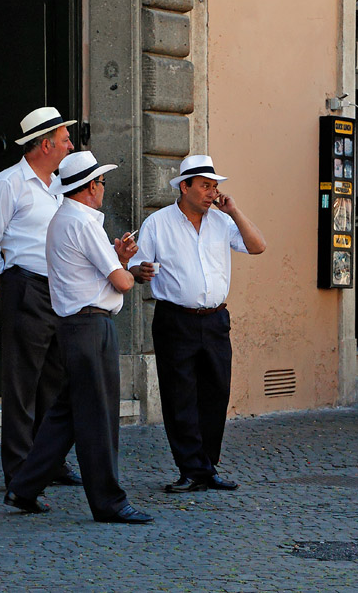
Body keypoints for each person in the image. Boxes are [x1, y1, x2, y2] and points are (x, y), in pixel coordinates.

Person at [3, 151, 153, 523]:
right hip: (90, 326)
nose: (104, 188)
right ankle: (109, 502)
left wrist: (116, 258)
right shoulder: (84, 223)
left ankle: (23, 488)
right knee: (98, 418)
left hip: (76, 326)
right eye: (101, 182)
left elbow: (92, 269)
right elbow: (120, 281)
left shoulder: (62, 219)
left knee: (66, 416)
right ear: (89, 187)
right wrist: (126, 267)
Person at [129, 155, 266, 493]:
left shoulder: (222, 222)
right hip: (176, 320)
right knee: (180, 397)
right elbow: (133, 268)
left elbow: (258, 246)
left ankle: (208, 466)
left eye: (215, 186)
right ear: (185, 187)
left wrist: (233, 210)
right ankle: (190, 469)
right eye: (205, 186)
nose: (211, 193)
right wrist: (139, 272)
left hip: (216, 319)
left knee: (215, 393)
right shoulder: (158, 223)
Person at [0, 106, 82, 487]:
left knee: (55, 379)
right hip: (27, 287)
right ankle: (19, 472)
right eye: (65, 139)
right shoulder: (9, 183)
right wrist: (1, 277)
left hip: (60, 289)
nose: (70, 145)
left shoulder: (60, 185)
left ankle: (47, 462)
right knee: (22, 384)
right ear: (45, 144)